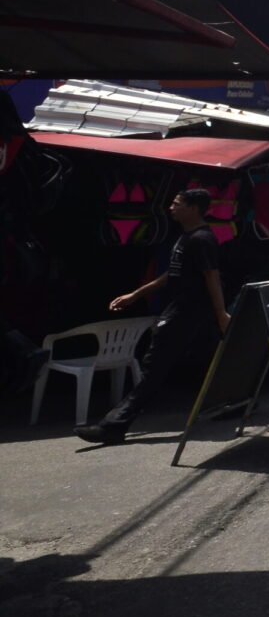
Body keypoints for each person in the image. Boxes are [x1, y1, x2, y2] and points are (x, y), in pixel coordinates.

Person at [76, 189, 230, 445]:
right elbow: (173, 273)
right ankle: (233, 403)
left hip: (187, 313)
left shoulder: (202, 239)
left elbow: (211, 277)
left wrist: (220, 313)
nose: (171, 207)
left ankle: (114, 426)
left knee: (153, 369)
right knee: (212, 359)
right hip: (190, 312)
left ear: (193, 209)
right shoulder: (186, 237)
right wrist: (136, 294)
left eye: (177, 203)